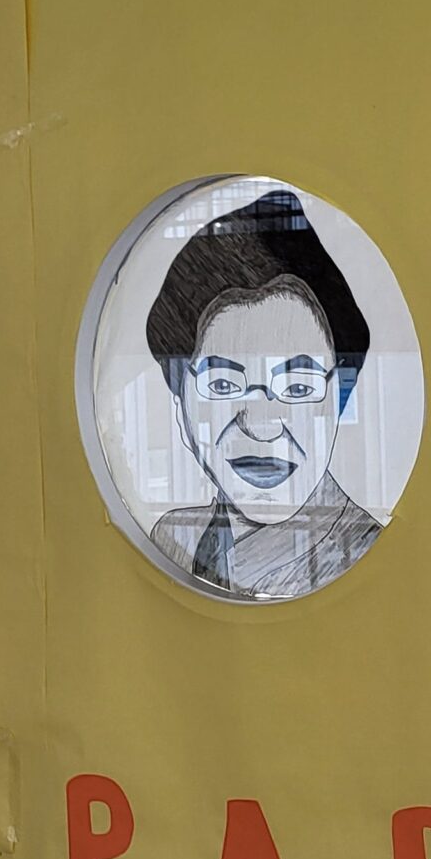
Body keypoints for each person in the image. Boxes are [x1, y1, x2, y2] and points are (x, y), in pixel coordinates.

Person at [144, 188, 380, 598]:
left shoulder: (365, 554)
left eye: (298, 387)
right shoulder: (174, 539)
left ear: (338, 401)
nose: (261, 424)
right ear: (180, 405)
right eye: (222, 385)